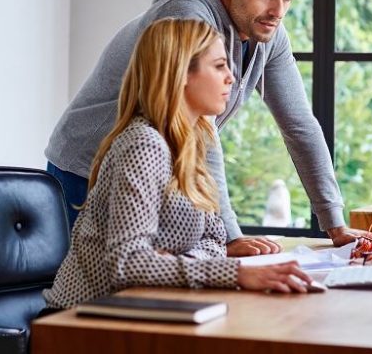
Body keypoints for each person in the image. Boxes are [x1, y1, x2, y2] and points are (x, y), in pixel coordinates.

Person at [46, 0, 371, 252]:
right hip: (88, 170)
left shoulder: (266, 31)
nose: (278, 11)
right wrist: (231, 236)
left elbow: (299, 124)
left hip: (157, 174)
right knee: (102, 292)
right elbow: (202, 129)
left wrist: (335, 225)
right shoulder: (188, 17)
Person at [43, 19, 315, 310]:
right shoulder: (143, 145)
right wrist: (235, 272)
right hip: (79, 323)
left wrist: (175, 261)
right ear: (182, 73)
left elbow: (214, 239)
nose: (232, 78)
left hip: (148, 311)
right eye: (220, 65)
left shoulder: (192, 141)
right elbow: (128, 263)